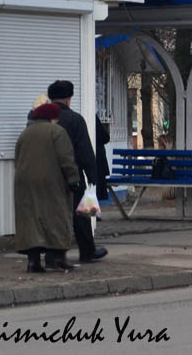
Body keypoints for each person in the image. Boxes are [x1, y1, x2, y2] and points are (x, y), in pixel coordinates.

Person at [14, 102, 81, 272]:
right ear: (53, 117)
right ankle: (59, 259)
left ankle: (33, 262)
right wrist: (74, 179)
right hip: (52, 183)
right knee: (58, 217)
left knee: (31, 220)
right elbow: (66, 159)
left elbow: (17, 159)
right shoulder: (57, 132)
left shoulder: (25, 134)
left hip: (24, 183)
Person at [47, 80, 108, 264]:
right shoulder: (74, 119)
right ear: (68, 99)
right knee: (82, 214)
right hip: (72, 175)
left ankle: (52, 253)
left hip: (48, 175)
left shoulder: (40, 119)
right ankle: (87, 251)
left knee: (52, 215)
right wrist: (92, 176)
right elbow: (85, 151)